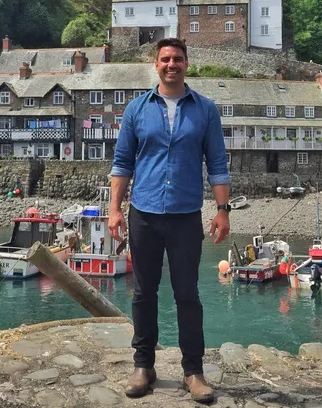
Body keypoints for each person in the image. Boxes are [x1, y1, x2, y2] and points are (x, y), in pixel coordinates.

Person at [108, 37, 231, 403]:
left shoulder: (205, 110)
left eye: (177, 58)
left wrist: (223, 211)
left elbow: (219, 165)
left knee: (187, 294)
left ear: (186, 64)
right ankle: (143, 366)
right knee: (144, 293)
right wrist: (115, 209)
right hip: (143, 213)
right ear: (155, 64)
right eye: (165, 59)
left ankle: (193, 371)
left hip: (185, 216)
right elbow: (122, 163)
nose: (171, 64)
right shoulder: (136, 109)